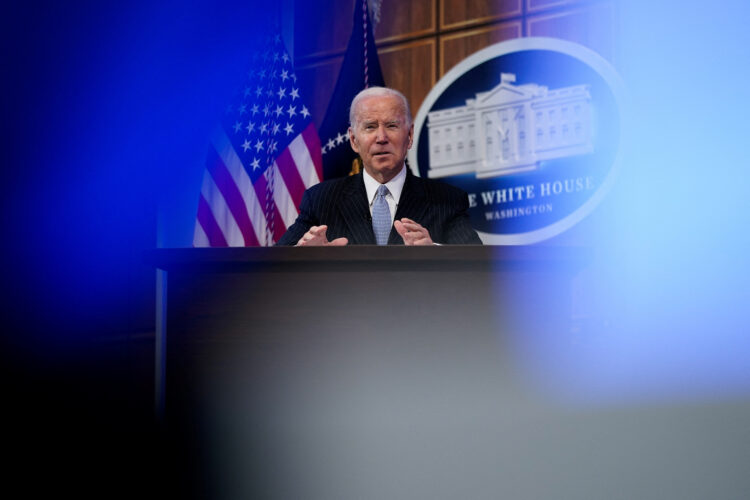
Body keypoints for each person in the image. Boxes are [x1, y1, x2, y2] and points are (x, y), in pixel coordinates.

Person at [276, 87, 482, 246]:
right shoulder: (320, 200)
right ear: (354, 140)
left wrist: (433, 250)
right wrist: (305, 256)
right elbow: (273, 264)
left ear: (409, 136)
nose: (381, 138)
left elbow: (477, 267)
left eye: (392, 126)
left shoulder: (447, 200)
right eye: (370, 127)